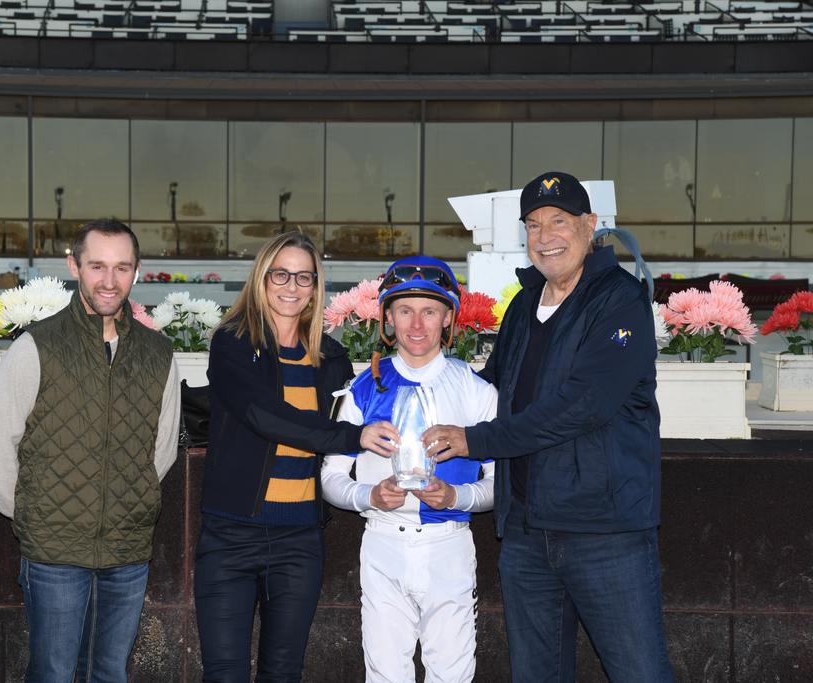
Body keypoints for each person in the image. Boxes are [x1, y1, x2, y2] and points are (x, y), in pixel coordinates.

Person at [423, 171, 674, 682]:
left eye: (559, 221)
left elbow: (583, 405)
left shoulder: (619, 299)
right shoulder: (522, 304)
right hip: (524, 534)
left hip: (604, 533)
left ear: (590, 225)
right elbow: (492, 392)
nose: (545, 237)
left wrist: (475, 439)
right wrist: (414, 373)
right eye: (533, 225)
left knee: (640, 673)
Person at [0, 219, 181, 683]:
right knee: (52, 672)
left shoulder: (158, 353)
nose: (109, 281)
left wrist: (129, 502)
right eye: (97, 266)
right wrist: (28, 513)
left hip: (127, 550)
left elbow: (162, 449)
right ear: (74, 266)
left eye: (122, 268)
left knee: (110, 672)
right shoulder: (36, 346)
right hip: (53, 551)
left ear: (137, 271)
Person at [195, 231, 399, 683]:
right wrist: (352, 435)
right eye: (280, 274)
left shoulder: (331, 358)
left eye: (303, 277)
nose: (291, 286)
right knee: (224, 673)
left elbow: (357, 426)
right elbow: (265, 415)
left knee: (283, 673)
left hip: (298, 540)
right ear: (261, 278)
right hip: (232, 534)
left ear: (315, 286)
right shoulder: (232, 343)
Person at [321, 255, 498, 683]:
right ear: (387, 318)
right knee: (384, 675)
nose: (417, 326)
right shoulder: (360, 390)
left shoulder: (478, 393)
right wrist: (370, 496)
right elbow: (329, 478)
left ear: (448, 320)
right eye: (405, 311)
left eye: (429, 311)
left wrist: (457, 497)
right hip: (382, 543)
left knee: (452, 675)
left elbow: (500, 483)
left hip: (449, 545)